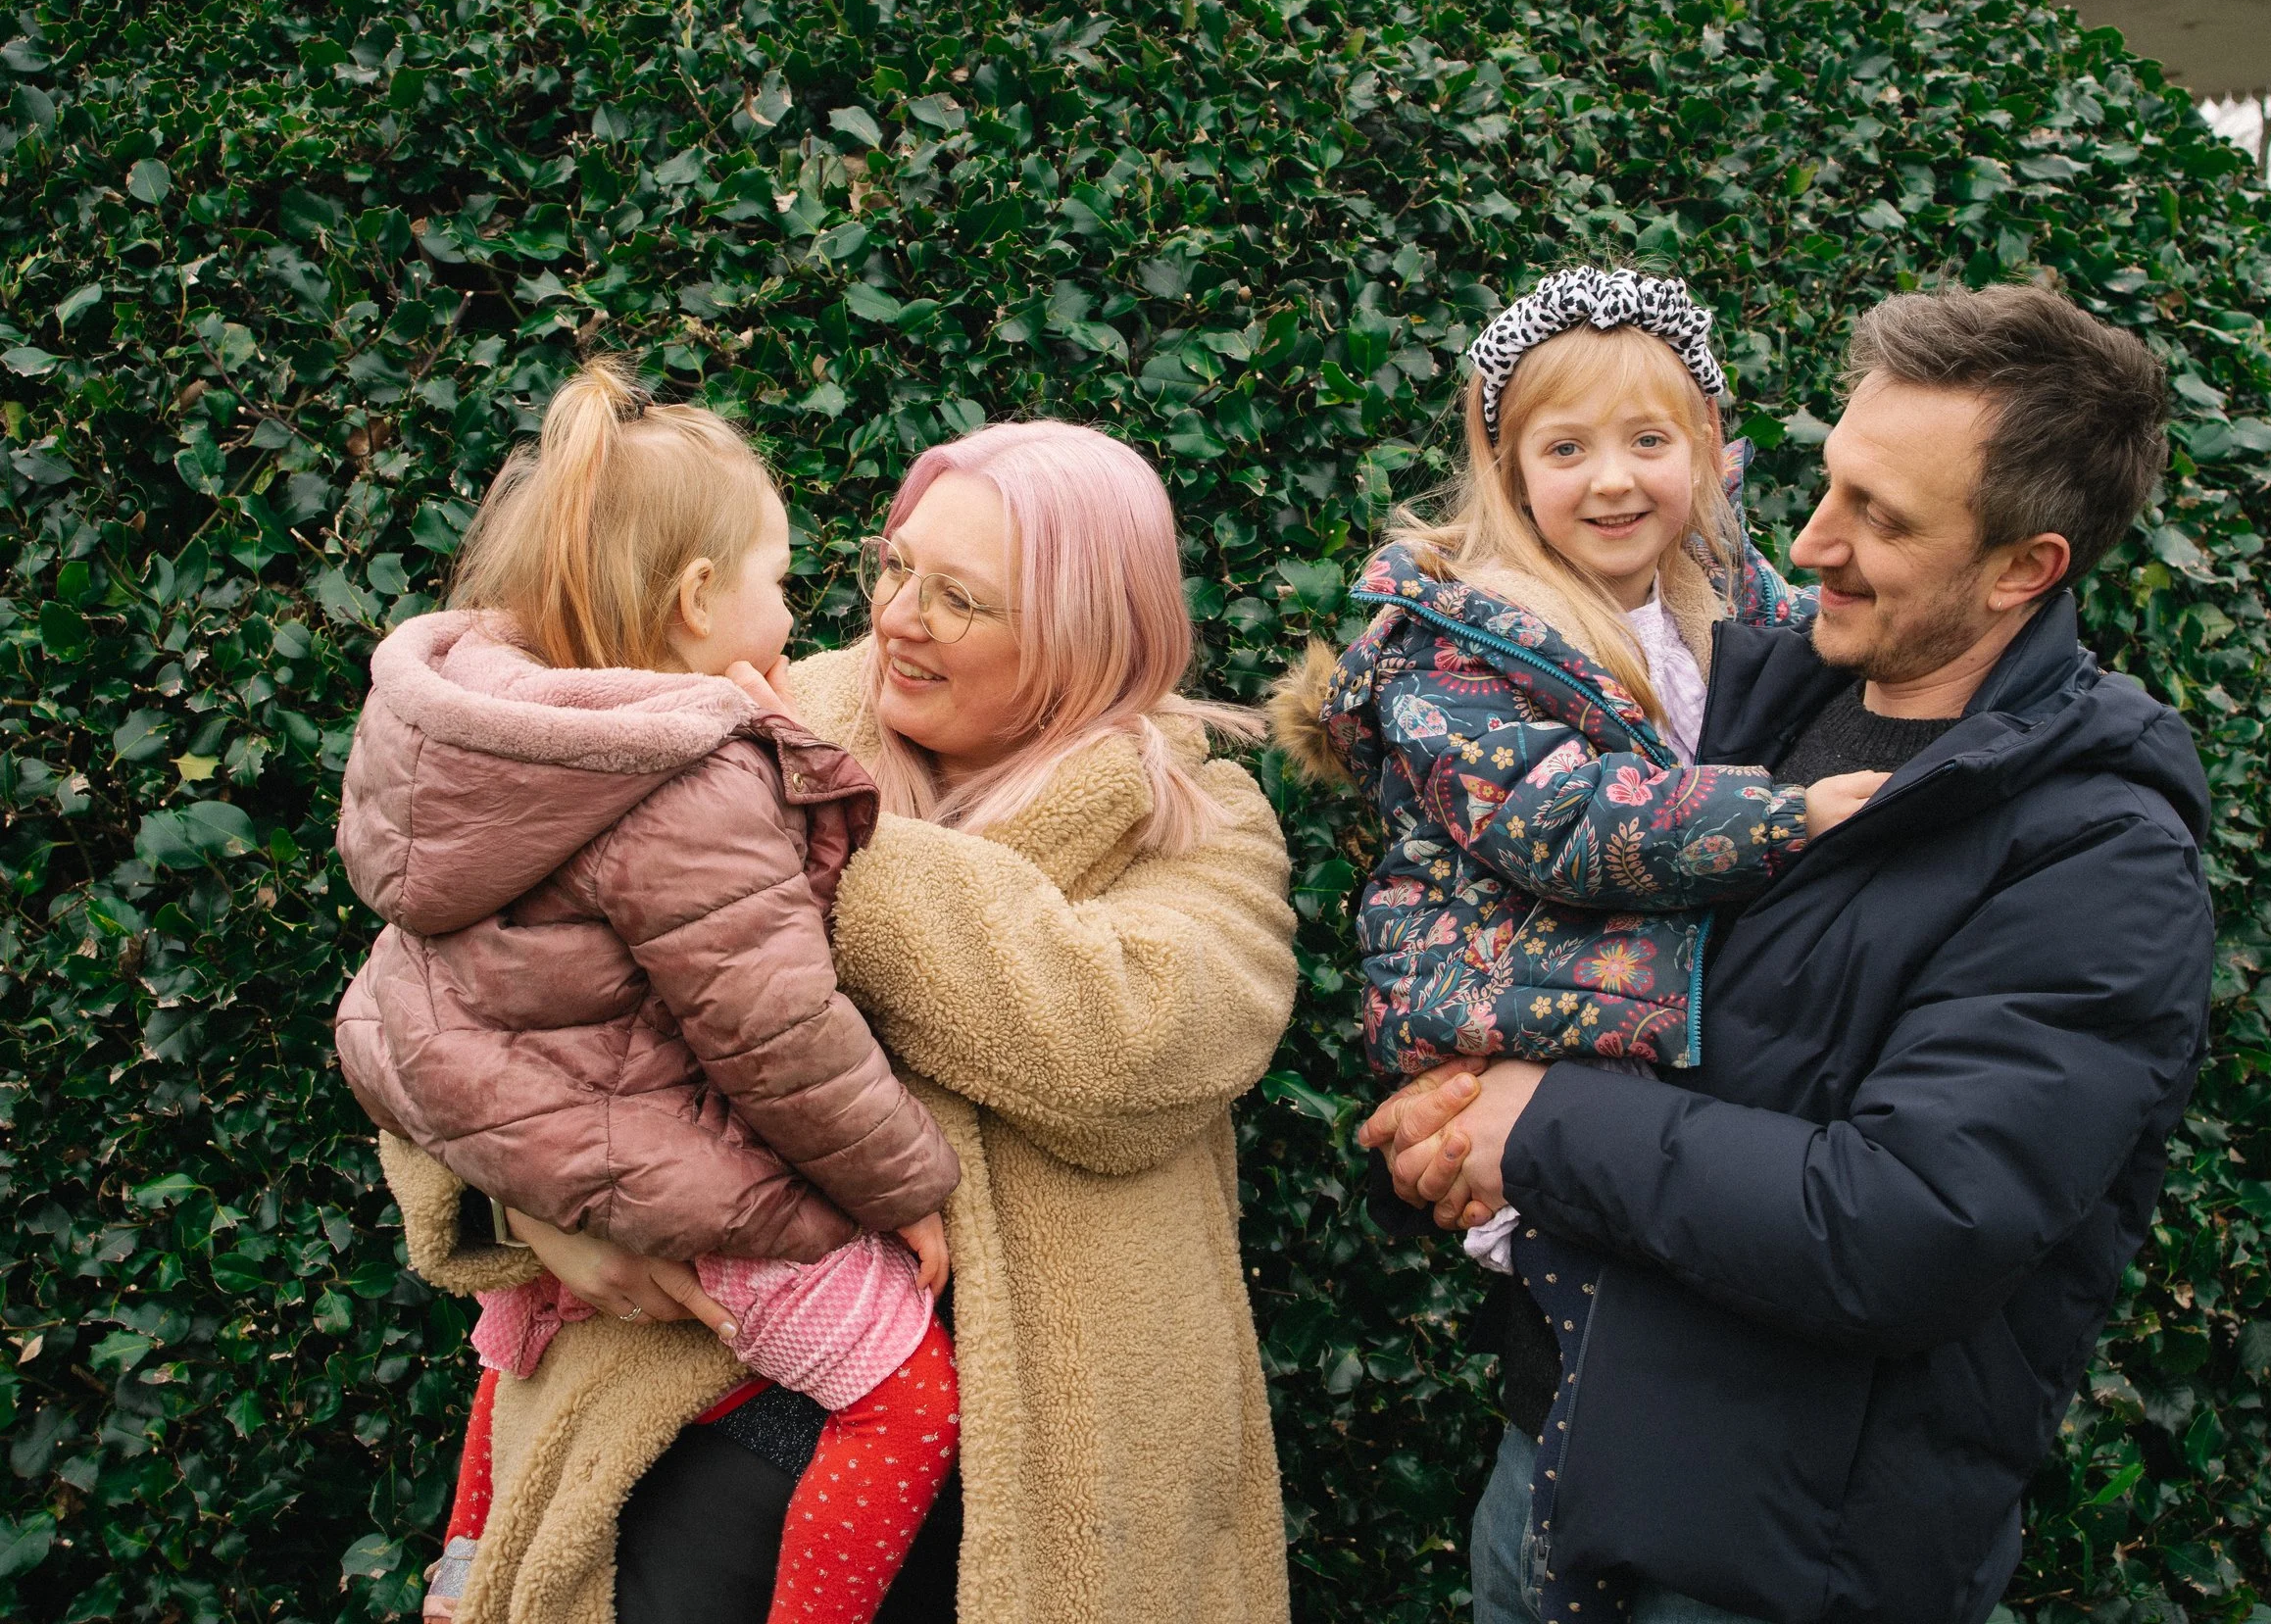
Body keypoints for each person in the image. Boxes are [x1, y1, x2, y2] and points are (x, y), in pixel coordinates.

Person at [1361, 283, 2214, 1624]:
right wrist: (1453, 1118)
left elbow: (1905, 1226)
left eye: (1882, 519)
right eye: (1829, 485)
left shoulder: (2096, 853)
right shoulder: (1740, 704)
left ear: (2023, 569)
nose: (1812, 540)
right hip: (1551, 1484)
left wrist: (1541, 1127)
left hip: (1771, 1570)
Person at [369, 417, 1301, 1624]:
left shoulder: (1193, 818)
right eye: (895, 564)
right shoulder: (729, 718)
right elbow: (447, 996)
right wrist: (540, 1208)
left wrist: (815, 839)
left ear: (1083, 629)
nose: (898, 615)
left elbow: (1128, 1043)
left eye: (959, 596)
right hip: (692, 1419)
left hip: (1060, 1477)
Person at [1270, 267, 1885, 1624]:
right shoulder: (1460, 643)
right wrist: (1783, 819)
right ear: (1506, 468)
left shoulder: (1744, 609)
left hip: (1631, 1039)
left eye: (1650, 443)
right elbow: (1563, 823)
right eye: (1566, 450)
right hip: (1504, 1000)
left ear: (1714, 451)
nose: (1613, 482)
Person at [333, 362, 963, 1624]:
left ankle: (464, 1571)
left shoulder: (486, 739)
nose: (800, 613)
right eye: (779, 582)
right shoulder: (693, 774)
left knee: (514, 1329)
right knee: (907, 1398)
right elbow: (778, 1032)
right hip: (670, 1175)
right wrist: (908, 1190)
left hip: (536, 1162)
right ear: (694, 600)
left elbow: (398, 991)